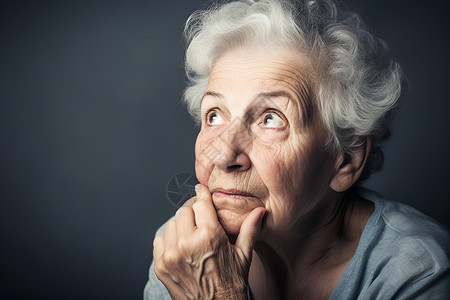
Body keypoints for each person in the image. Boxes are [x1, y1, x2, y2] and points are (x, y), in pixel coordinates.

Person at [144, 0, 450, 298]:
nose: (223, 156)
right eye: (214, 115)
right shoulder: (183, 256)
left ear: (346, 159)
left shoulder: (417, 273)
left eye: (271, 119)